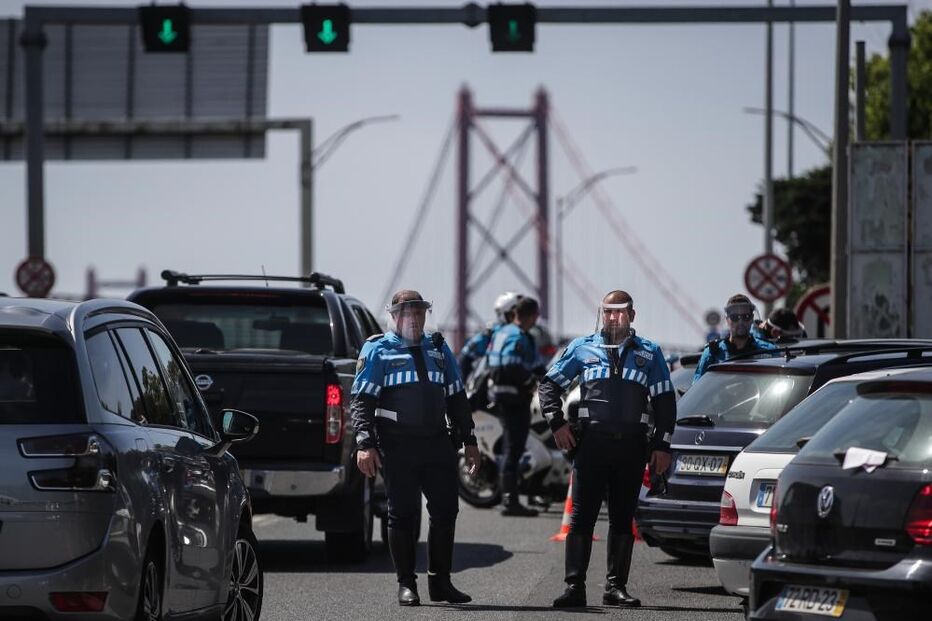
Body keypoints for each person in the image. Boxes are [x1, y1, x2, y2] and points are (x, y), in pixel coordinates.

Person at [539, 290, 676, 608]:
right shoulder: (581, 347)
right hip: (591, 446)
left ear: (632, 315)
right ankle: (574, 588)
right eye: (607, 312)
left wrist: (662, 445)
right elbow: (549, 385)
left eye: (619, 311)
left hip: (631, 447)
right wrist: (557, 423)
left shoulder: (649, 353)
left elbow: (665, 402)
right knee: (581, 518)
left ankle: (615, 588)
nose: (613, 317)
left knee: (622, 518)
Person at [351, 290, 481, 606]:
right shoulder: (378, 349)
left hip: (437, 441)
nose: (414, 318)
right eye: (407, 312)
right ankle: (406, 584)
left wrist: (470, 441)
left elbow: (456, 396)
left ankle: (440, 583)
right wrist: (364, 444)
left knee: (446, 510)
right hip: (398, 445)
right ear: (394, 316)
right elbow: (361, 401)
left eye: (420, 312)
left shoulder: (437, 348)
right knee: (403, 514)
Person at [486, 296, 545, 517]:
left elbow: (535, 365)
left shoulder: (502, 332)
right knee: (514, 448)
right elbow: (511, 365)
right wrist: (532, 382)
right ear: (532, 316)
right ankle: (510, 501)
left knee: (513, 447)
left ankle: (516, 496)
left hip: (501, 396)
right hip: (514, 399)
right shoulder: (520, 337)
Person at [693, 294, 777, 381]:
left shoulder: (769, 351)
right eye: (734, 317)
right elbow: (697, 387)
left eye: (746, 317)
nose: (740, 322)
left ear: (752, 318)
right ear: (727, 320)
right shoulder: (713, 352)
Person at [457, 291, 522, 379]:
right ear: (505, 314)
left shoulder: (527, 335)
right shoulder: (490, 335)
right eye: (515, 314)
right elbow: (465, 357)